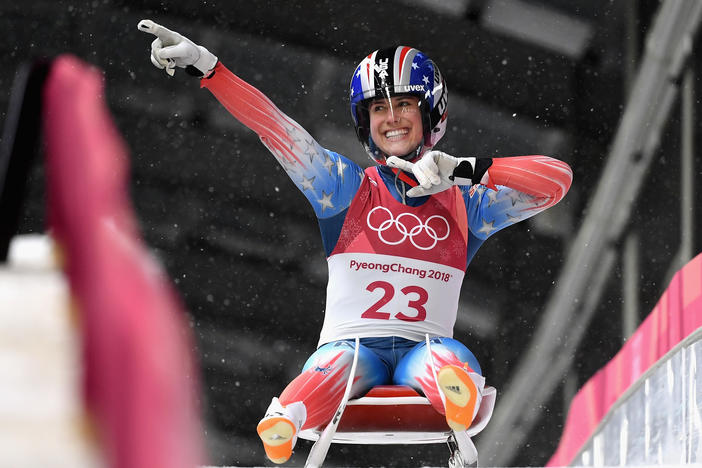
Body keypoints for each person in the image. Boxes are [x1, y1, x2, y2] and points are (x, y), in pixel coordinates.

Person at [138, 20, 573, 464]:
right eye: (377, 109)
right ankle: (287, 417)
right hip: (351, 349)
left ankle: (451, 390)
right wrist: (210, 69)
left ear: (431, 113)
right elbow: (277, 131)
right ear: (365, 123)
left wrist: (462, 169)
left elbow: (556, 181)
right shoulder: (345, 188)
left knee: (445, 357)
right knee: (336, 367)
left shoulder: (469, 203)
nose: (391, 119)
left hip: (424, 347)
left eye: (404, 104)